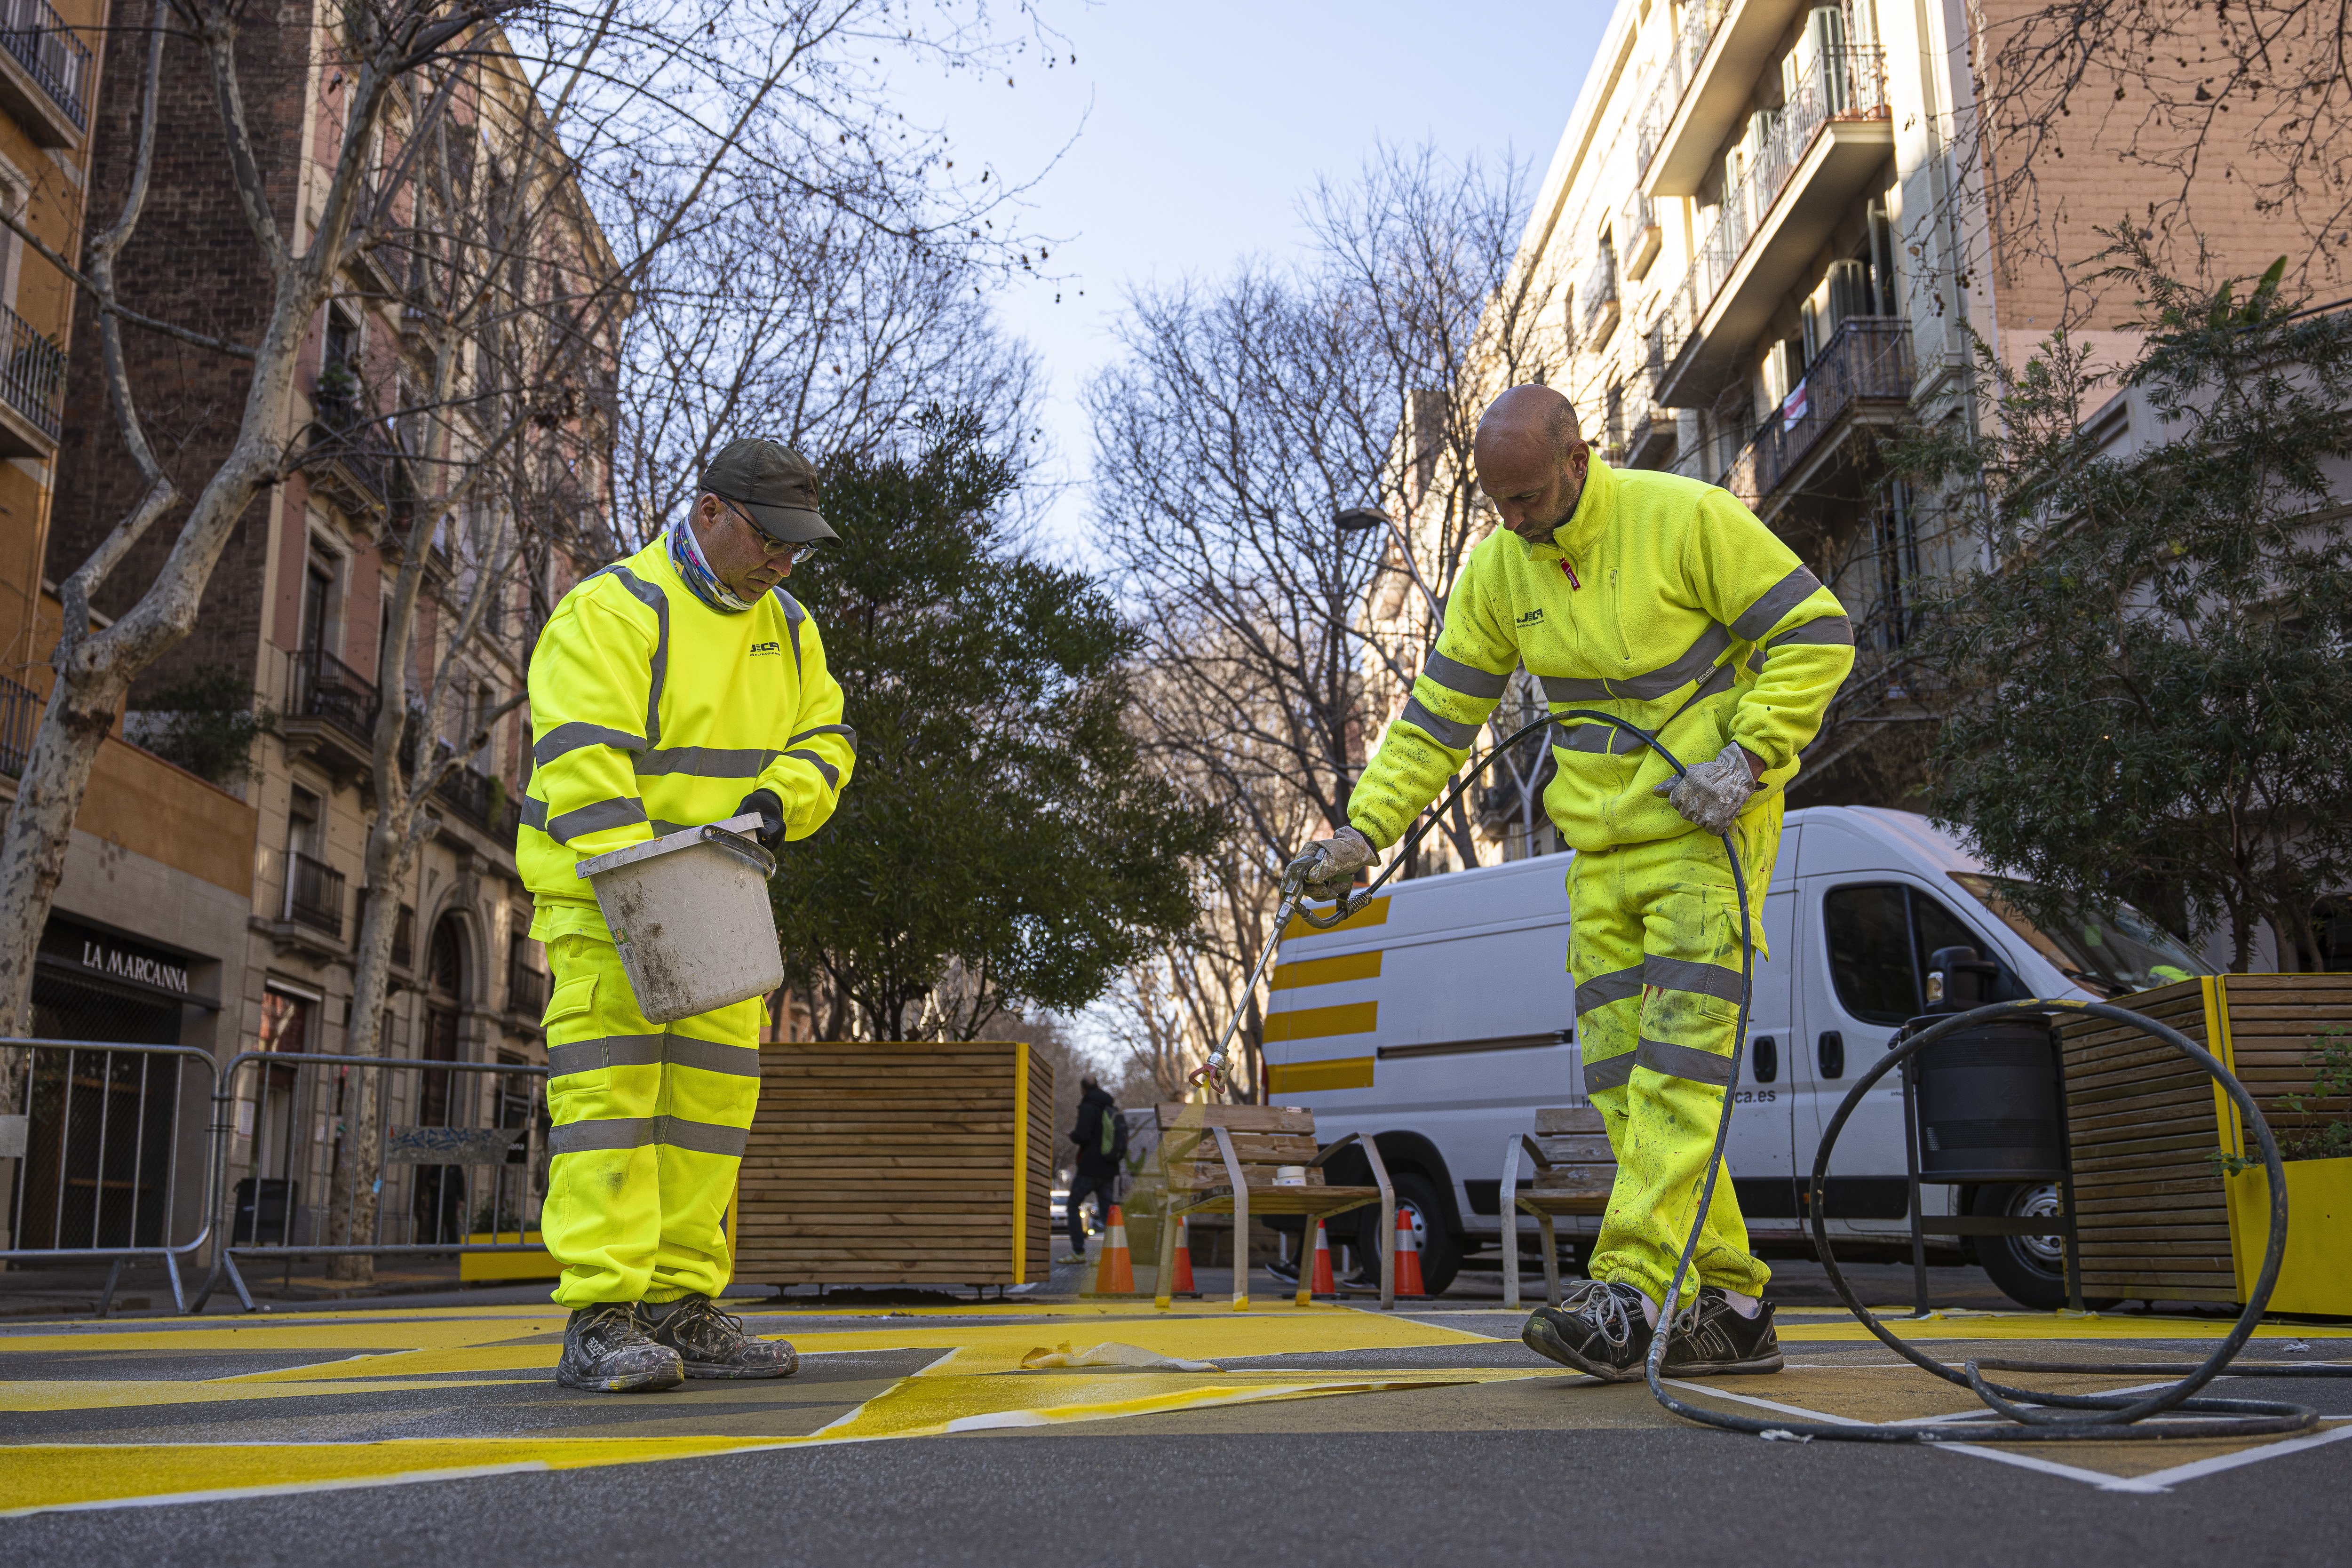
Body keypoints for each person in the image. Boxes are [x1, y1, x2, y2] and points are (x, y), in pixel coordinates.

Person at [1296, 385, 1852, 1380]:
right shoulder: (1498, 570)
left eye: (1526, 497)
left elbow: (1816, 633)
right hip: (1600, 849)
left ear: (1576, 455)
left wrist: (1748, 758)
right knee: (1623, 1086)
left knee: (1680, 1069)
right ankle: (1729, 1302)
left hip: (1705, 828)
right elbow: (1434, 720)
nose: (1512, 520)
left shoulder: (1683, 519)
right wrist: (1361, 831)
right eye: (1496, 504)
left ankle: (1631, 1291)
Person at [522, 438, 858, 1393]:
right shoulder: (612, 611)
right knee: (610, 1112)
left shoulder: (789, 628)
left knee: (708, 1116)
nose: (785, 562)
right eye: (771, 539)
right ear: (709, 511)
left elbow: (827, 735)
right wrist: (652, 893)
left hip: (718, 901)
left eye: (798, 547)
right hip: (608, 903)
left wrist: (777, 804)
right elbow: (588, 771)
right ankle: (601, 1315)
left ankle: (682, 1304)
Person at [1060, 1077, 1126, 1264]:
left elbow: (1083, 1135)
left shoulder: (1088, 1107)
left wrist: (1072, 1135)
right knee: (1108, 1213)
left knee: (1073, 1205)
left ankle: (1078, 1252)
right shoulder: (1110, 1108)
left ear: (1083, 1089)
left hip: (1090, 1167)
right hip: (1109, 1168)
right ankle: (1111, 1256)